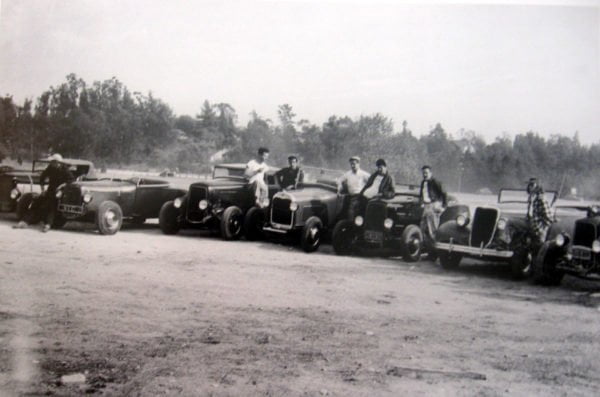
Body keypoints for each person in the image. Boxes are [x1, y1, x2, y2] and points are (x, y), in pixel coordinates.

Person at [14, 153, 74, 232]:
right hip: (50, 190)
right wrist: (42, 190)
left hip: (60, 193)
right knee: (36, 203)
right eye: (52, 162)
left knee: (52, 207)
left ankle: (48, 225)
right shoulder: (50, 168)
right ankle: (24, 222)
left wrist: (62, 186)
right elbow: (42, 177)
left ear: (58, 162)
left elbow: (71, 180)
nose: (52, 163)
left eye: (54, 162)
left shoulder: (65, 170)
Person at [419, 165, 447, 243]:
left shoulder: (435, 182)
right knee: (422, 227)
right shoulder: (423, 182)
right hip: (426, 206)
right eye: (423, 173)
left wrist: (444, 206)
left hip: (434, 205)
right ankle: (426, 246)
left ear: (431, 173)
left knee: (433, 228)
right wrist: (421, 203)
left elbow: (444, 193)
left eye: (426, 173)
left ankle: (436, 247)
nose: (425, 175)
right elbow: (421, 195)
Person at [337, 156, 370, 220]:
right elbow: (340, 180)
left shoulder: (363, 174)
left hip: (361, 197)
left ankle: (354, 226)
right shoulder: (348, 174)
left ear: (358, 164)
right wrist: (339, 188)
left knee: (353, 212)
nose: (352, 166)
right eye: (351, 164)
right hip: (351, 197)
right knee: (347, 212)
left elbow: (371, 180)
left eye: (354, 164)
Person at [526, 177, 553, 245]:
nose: (530, 187)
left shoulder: (541, 198)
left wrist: (542, 229)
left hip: (539, 228)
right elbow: (530, 213)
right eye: (529, 185)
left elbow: (549, 217)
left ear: (538, 186)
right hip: (531, 224)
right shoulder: (531, 198)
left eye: (532, 185)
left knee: (540, 247)